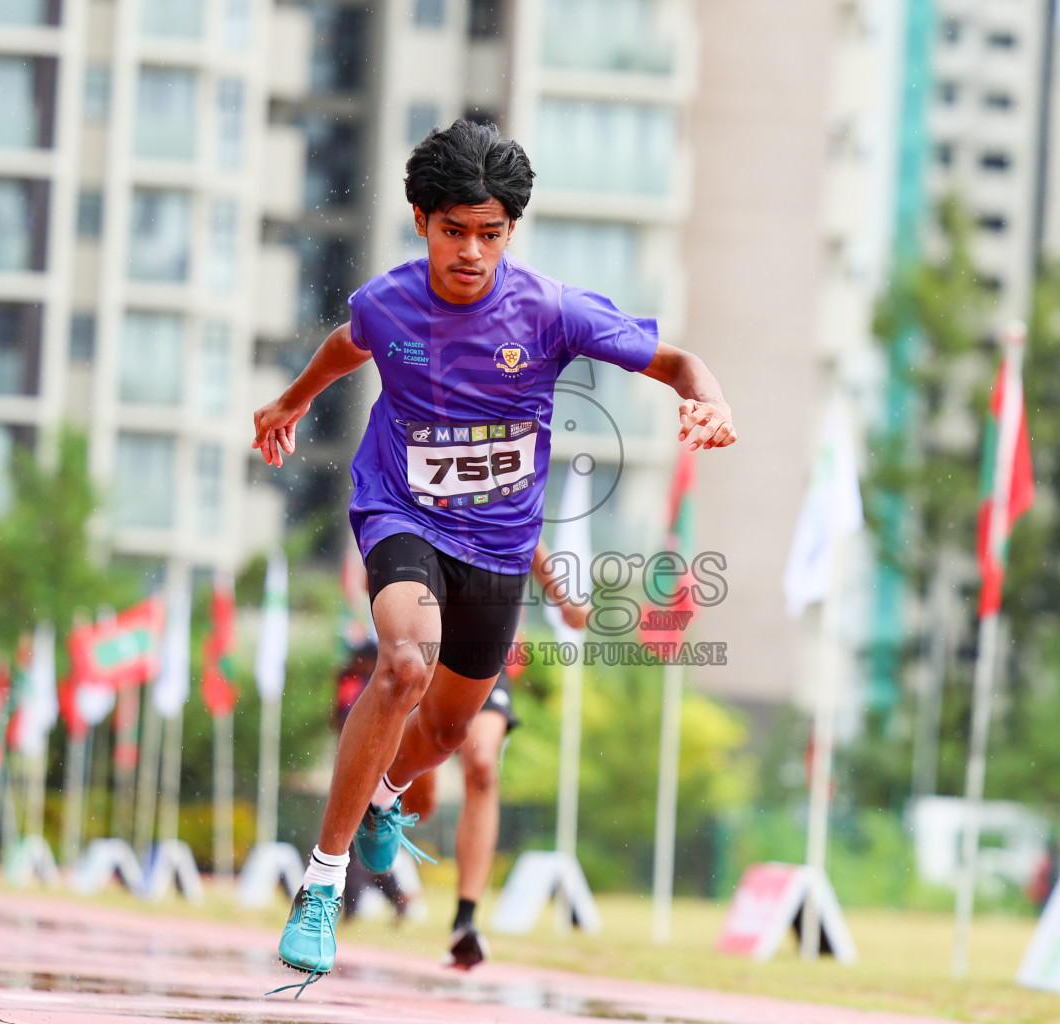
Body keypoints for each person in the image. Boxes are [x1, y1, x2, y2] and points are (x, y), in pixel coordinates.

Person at [252, 119, 736, 991]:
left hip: (500, 546)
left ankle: (387, 796)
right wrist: (286, 406)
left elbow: (678, 361)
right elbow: (344, 347)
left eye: (491, 233)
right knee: (403, 666)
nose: (471, 251)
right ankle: (321, 884)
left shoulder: (550, 310)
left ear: (511, 231)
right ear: (420, 220)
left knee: (444, 731)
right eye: (453, 231)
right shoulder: (387, 303)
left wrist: (709, 401)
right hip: (399, 510)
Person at [400, 540, 589, 971]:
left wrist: (562, 597)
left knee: (483, 764)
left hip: (483, 641)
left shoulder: (508, 481)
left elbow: (529, 530)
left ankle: (465, 922)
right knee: (420, 802)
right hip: (425, 639)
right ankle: (390, 793)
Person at [329, 643, 411, 923]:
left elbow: (342, 721)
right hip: (363, 763)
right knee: (355, 841)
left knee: (353, 839)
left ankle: (353, 904)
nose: (353, 662)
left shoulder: (362, 683)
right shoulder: (356, 681)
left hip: (368, 767)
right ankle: (392, 897)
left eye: (358, 658)